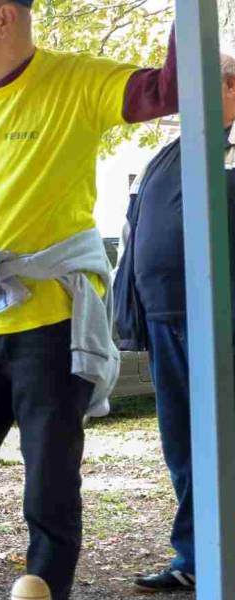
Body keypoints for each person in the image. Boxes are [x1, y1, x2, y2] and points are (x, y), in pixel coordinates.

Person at [0, 2, 179, 599]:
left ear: (3, 14)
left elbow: (169, 90)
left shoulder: (80, 80)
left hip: (53, 326)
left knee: (49, 490)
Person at [114, 52, 235, 597]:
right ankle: (194, 555)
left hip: (220, 321)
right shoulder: (170, 152)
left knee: (224, 440)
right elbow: (137, 230)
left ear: (230, 86)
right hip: (166, 320)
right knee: (184, 443)